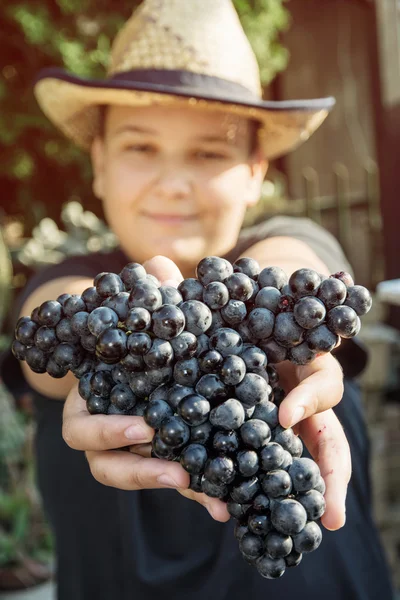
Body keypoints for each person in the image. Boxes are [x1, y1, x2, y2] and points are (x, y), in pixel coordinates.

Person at [1, 1, 395, 598]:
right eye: (140, 147)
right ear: (100, 164)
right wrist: (113, 340)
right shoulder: (74, 278)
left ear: (256, 171)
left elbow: (293, 269)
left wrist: (278, 316)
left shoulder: (287, 244)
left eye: (209, 153)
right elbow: (51, 319)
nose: (173, 182)